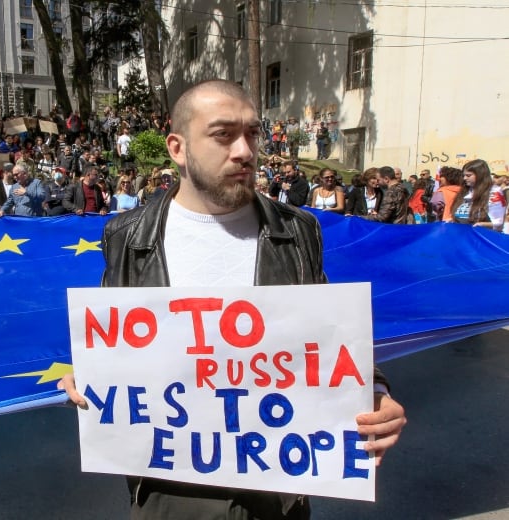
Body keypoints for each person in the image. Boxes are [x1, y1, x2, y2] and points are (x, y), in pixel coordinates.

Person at [58, 79, 405, 519]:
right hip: (170, 490)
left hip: (278, 487)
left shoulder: (297, 230)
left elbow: (325, 333)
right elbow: (118, 342)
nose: (244, 151)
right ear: (177, 148)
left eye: (253, 134)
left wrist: (373, 391)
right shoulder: (128, 235)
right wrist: (88, 375)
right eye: (223, 135)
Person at [451, 159, 505, 231]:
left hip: (482, 238)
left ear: (480, 175)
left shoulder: (494, 193)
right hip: (463, 237)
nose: (464, 178)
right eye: (464, 175)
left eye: (468, 175)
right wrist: (453, 221)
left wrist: (482, 225)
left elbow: (498, 224)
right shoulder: (464, 192)